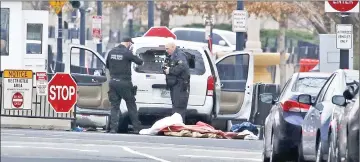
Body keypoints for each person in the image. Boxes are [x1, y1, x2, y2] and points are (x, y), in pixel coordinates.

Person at [106, 37, 143, 134]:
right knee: (131, 105)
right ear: (128, 43)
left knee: (114, 106)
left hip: (113, 82)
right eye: (131, 44)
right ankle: (136, 128)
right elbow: (140, 62)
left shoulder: (111, 52)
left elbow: (107, 66)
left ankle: (113, 128)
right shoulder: (127, 53)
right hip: (125, 83)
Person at [163, 40, 190, 122]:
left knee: (179, 108)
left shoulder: (180, 55)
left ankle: (178, 127)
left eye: (167, 48)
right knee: (175, 107)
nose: (166, 50)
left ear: (173, 47)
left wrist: (170, 70)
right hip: (175, 85)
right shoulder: (171, 56)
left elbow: (182, 67)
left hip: (181, 85)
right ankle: (175, 125)